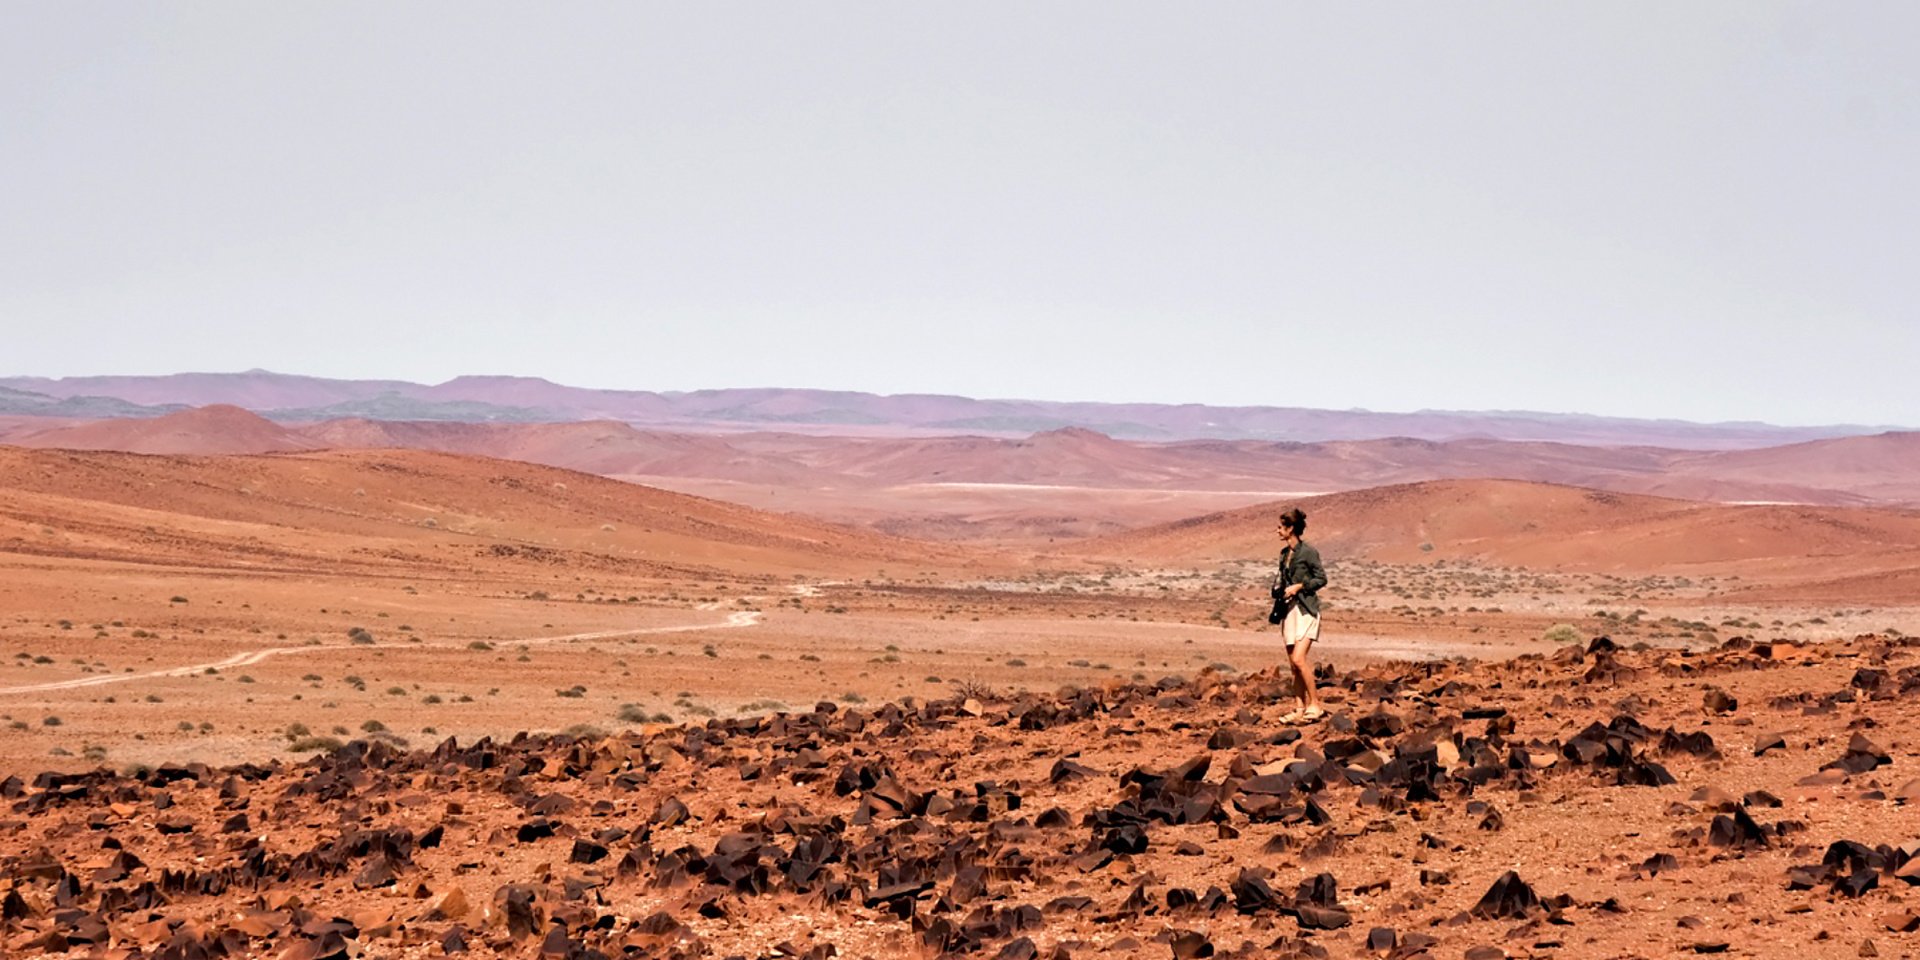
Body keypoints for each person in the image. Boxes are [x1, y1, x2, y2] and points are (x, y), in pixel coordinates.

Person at [1270, 507, 1328, 722]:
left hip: (1306, 610)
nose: (1277, 531)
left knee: (1299, 659)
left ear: (1290, 528)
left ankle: (1316, 704)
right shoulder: (1285, 554)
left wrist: (1300, 586)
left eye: (1280, 527)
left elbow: (1321, 579)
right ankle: (1299, 708)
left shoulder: (1309, 552)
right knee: (1293, 665)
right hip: (1289, 611)